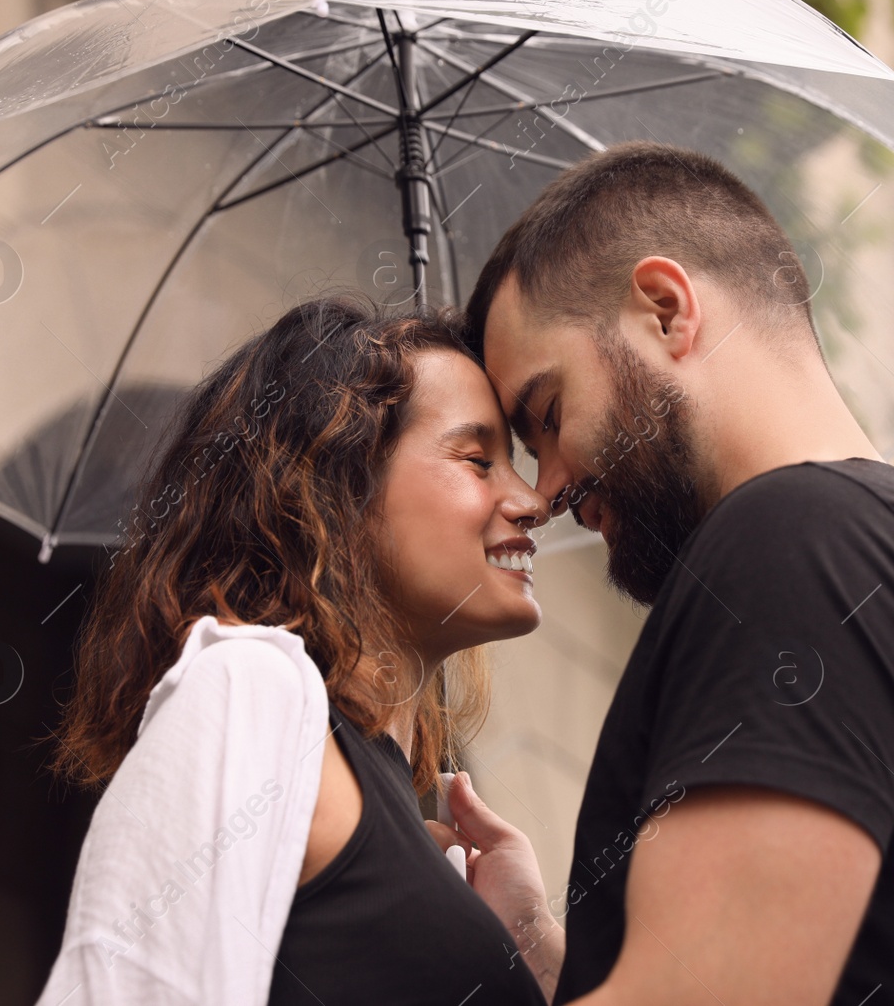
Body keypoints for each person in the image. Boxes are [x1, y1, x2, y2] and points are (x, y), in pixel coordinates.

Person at [448, 141, 894, 1005]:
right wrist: (540, 950)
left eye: (549, 415)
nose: (547, 488)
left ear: (665, 310)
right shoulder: (893, 546)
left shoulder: (801, 544)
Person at [34, 297, 555, 1006]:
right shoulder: (250, 685)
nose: (532, 500)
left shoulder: (416, 812)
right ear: (339, 487)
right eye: (478, 460)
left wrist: (529, 944)